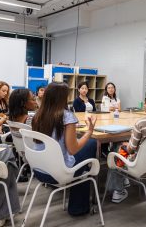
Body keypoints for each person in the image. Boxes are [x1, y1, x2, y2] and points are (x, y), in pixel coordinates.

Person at [32, 82, 98, 216]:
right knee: (91, 144)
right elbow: (73, 150)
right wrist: (89, 131)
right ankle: (78, 206)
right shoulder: (67, 116)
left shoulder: (37, 115)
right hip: (58, 172)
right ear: (62, 98)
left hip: (39, 169)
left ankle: (79, 202)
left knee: (83, 158)